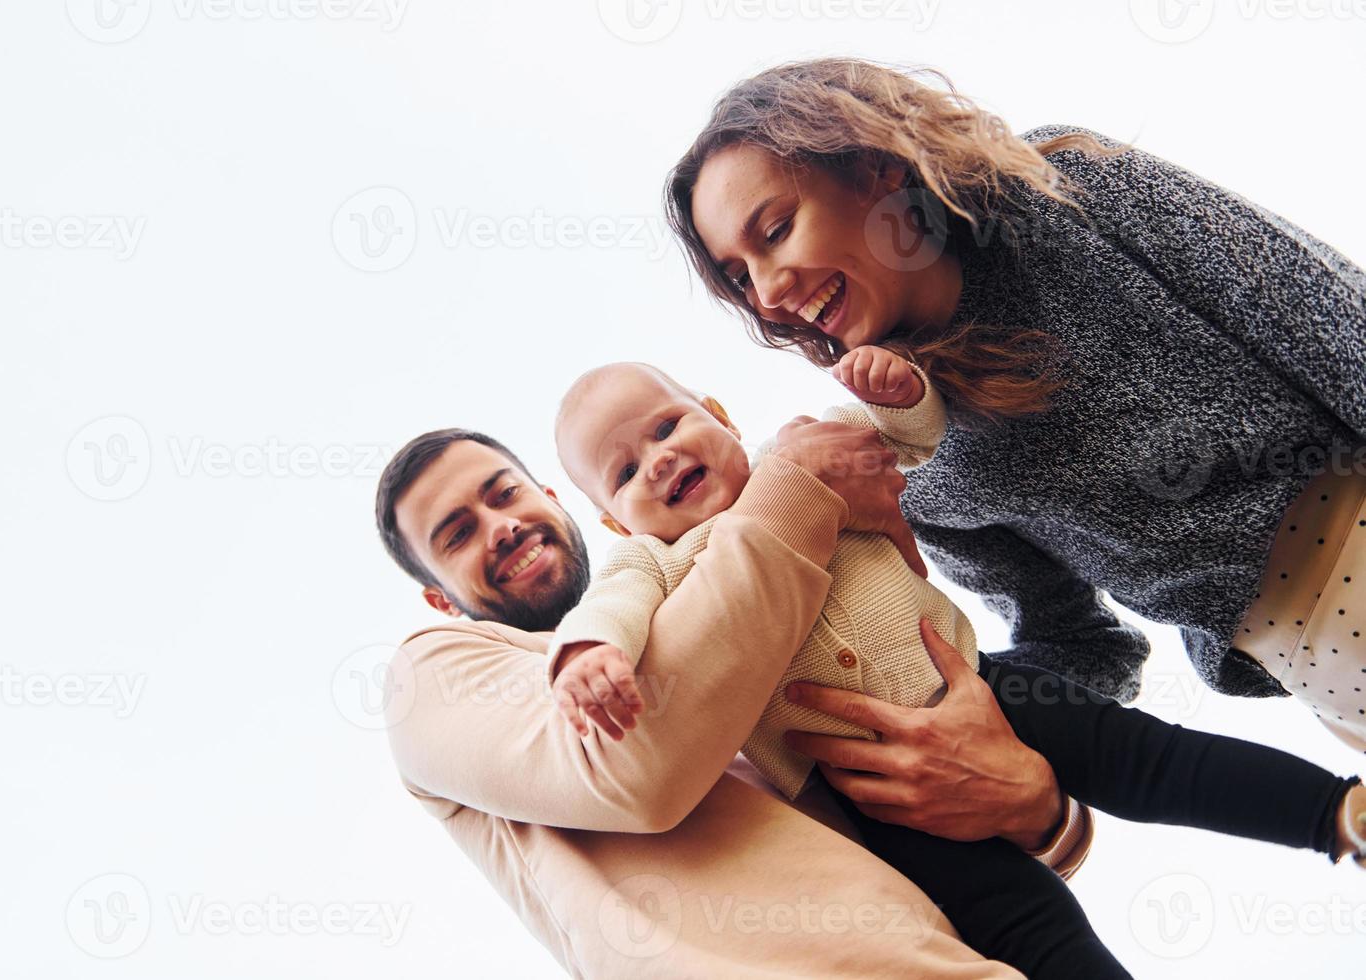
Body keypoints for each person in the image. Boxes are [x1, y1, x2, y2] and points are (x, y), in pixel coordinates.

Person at [545, 355, 1366, 977]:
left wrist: (897, 389)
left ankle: (1339, 812)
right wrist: (590, 656)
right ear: (614, 522)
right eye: (623, 472)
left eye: (665, 426)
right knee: (1022, 919)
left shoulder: (800, 459)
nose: (655, 460)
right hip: (866, 791)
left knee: (1154, 758)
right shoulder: (654, 564)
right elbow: (604, 612)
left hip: (984, 683)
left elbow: (902, 439)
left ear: (716, 415)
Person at [663, 58, 1366, 755]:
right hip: (1330, 678)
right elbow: (1081, 645)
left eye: (777, 230)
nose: (770, 292)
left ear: (876, 170)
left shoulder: (1066, 190)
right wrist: (945, 706)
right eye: (740, 276)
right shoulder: (911, 463)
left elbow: (1334, 323)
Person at [374, 420, 1075, 978]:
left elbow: (918, 830)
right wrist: (796, 489)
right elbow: (634, 771)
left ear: (551, 500)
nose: (499, 527)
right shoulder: (428, 673)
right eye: (458, 534)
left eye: (503, 494)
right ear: (441, 599)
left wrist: (1041, 812)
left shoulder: (724, 626)